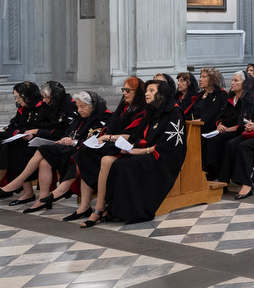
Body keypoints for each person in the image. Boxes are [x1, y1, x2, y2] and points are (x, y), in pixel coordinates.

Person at [81, 77, 188, 226]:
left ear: (162, 94)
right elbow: (137, 135)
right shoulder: (150, 111)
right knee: (106, 159)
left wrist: (142, 151)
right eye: (146, 91)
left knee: (122, 165)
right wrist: (127, 146)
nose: (146, 94)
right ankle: (101, 208)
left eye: (151, 91)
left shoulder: (174, 112)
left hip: (162, 159)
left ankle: (123, 210)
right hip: (142, 151)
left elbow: (170, 145)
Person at [63, 77, 149, 223]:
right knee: (84, 152)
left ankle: (98, 207)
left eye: (128, 90)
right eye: (123, 90)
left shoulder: (143, 111)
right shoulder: (124, 108)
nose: (125, 93)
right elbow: (109, 127)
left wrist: (107, 137)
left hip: (126, 146)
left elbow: (132, 136)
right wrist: (103, 137)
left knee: (95, 156)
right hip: (113, 143)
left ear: (138, 92)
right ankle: (84, 206)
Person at [21, 90, 109, 213]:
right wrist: (66, 140)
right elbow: (68, 133)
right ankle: (43, 197)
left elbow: (95, 140)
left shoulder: (103, 118)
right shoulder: (80, 118)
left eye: (82, 107)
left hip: (85, 150)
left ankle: (57, 191)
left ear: (93, 106)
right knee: (44, 158)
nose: (79, 110)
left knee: (53, 152)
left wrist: (73, 142)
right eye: (78, 106)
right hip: (71, 149)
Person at [0, 81, 74, 204]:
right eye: (43, 97)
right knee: (12, 146)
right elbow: (44, 124)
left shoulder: (69, 106)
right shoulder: (51, 105)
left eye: (46, 97)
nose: (44, 100)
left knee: (29, 151)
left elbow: (60, 130)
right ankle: (25, 190)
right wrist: (35, 131)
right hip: (48, 139)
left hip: (59, 141)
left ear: (55, 96)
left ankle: (21, 185)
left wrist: (37, 131)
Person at [205, 71, 254, 179]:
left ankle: (220, 175)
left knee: (220, 141)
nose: (232, 83)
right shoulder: (231, 98)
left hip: (240, 132)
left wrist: (226, 130)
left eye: (236, 80)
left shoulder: (251, 100)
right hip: (224, 130)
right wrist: (220, 125)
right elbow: (221, 116)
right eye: (232, 80)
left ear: (244, 84)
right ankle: (210, 170)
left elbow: (244, 122)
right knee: (211, 138)